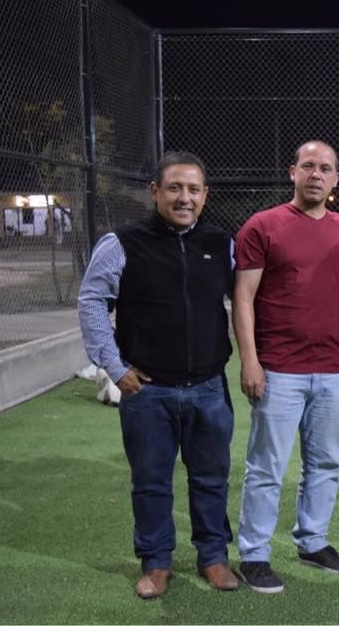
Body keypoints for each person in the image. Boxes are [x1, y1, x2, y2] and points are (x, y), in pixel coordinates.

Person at [77, 151, 239, 599]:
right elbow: (92, 303)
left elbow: (246, 300)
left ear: (205, 195)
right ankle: (155, 562)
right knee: (150, 483)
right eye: (174, 188)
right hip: (148, 391)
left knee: (212, 479)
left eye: (193, 190)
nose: (184, 198)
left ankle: (213, 557)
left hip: (209, 387)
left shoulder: (222, 244)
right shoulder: (121, 243)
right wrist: (115, 368)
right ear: (155, 192)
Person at [233, 140, 339, 594]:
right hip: (279, 368)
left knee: (326, 462)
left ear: (336, 178)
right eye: (309, 166)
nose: (316, 174)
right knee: (267, 467)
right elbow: (243, 298)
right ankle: (254, 554)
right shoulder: (263, 226)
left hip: (332, 367)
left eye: (326, 168)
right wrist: (250, 361)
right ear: (293, 172)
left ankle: (312, 541)